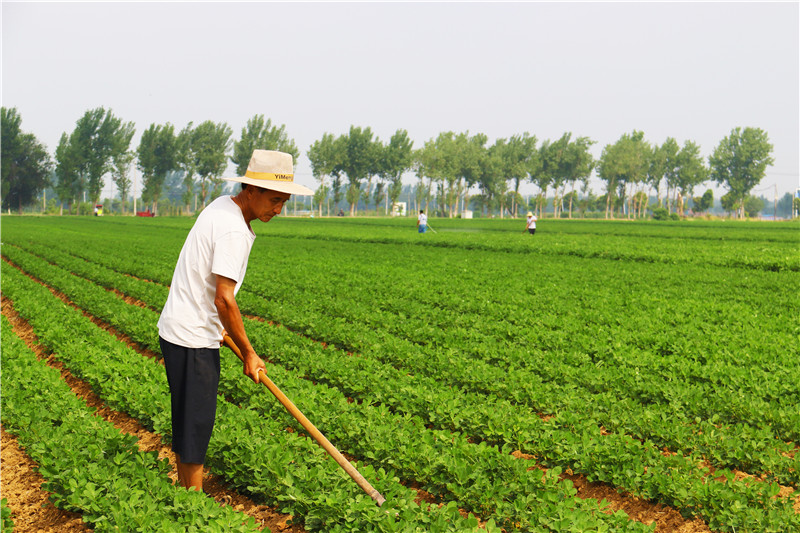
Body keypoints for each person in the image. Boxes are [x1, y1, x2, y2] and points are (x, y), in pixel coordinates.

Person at [157, 150, 312, 492]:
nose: (278, 209)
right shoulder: (234, 232)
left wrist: (223, 329)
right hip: (192, 337)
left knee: (188, 421)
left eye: (284, 202)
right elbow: (223, 298)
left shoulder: (223, 206)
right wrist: (249, 352)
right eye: (274, 200)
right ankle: (192, 502)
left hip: (179, 329)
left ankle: (186, 494)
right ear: (251, 191)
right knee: (196, 424)